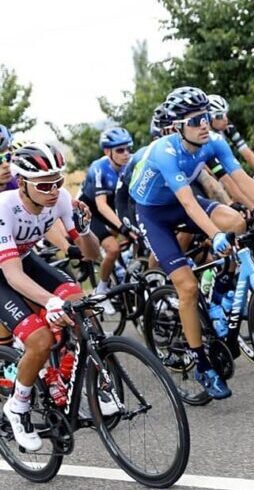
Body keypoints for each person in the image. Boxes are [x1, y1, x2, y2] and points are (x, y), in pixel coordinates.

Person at [129, 86, 254, 399]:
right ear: (176, 127)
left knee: (237, 222)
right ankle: (201, 364)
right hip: (154, 213)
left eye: (206, 117)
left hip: (182, 203)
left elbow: (241, 179)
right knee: (187, 287)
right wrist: (214, 235)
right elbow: (188, 204)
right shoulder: (164, 151)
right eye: (196, 120)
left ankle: (221, 288)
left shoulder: (214, 142)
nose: (204, 124)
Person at [0, 143, 101, 451]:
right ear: (23, 183)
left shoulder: (60, 200)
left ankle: (91, 382)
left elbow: (92, 255)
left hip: (24, 258)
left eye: (58, 181)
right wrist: (50, 301)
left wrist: (84, 231)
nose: (53, 190)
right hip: (5, 270)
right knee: (40, 339)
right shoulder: (4, 207)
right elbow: (13, 275)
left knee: (83, 308)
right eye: (44, 185)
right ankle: (17, 406)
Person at [79, 127, 134, 314]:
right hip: (90, 210)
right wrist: (123, 228)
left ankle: (126, 263)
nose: (126, 154)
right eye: (120, 150)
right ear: (107, 152)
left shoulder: (130, 165)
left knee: (138, 235)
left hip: (112, 206)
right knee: (113, 248)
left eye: (128, 148)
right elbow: (101, 206)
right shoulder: (99, 168)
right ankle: (101, 290)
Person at [207, 94, 254, 175]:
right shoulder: (202, 136)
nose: (225, 119)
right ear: (208, 118)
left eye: (225, 114)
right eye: (220, 116)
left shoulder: (227, 126)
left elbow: (246, 152)